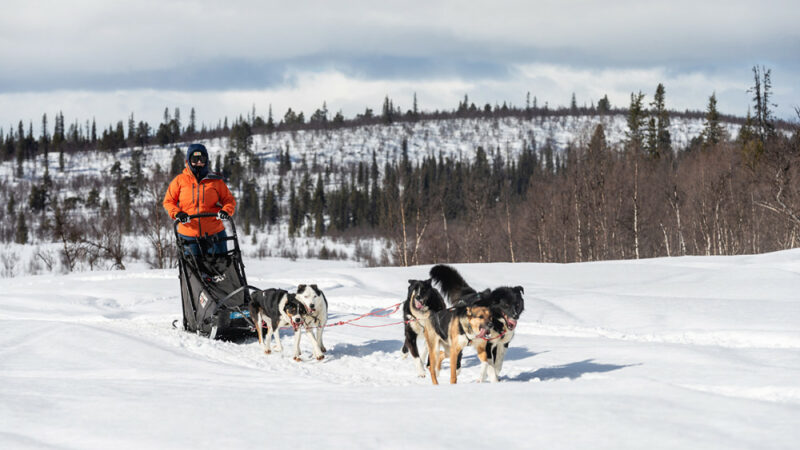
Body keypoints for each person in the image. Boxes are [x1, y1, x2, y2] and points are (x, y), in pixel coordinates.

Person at [163, 143, 236, 255]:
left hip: (214, 232)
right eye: (195, 159)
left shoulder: (215, 181)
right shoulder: (179, 181)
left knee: (221, 266)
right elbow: (168, 201)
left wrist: (226, 211)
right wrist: (178, 214)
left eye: (202, 159)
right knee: (193, 269)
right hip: (188, 233)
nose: (198, 162)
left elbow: (229, 200)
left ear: (206, 160)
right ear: (188, 161)